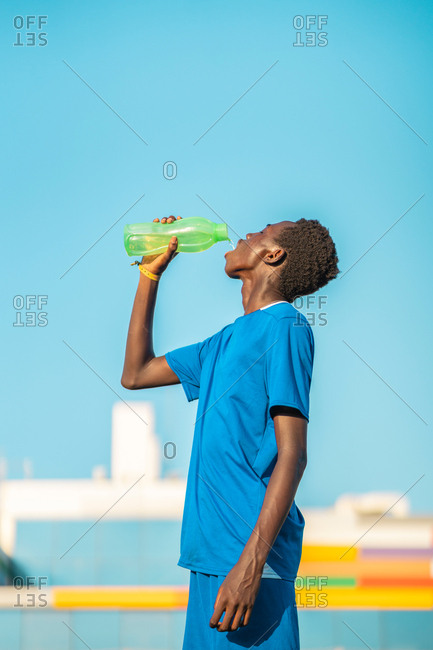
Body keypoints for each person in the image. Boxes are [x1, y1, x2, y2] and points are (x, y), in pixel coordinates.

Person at [121, 215, 339, 649]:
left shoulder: (286, 327)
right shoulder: (221, 342)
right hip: (208, 557)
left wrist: (251, 566)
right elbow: (136, 373)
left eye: (261, 231)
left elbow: (293, 454)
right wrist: (150, 273)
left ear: (273, 254)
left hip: (248, 562)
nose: (246, 234)